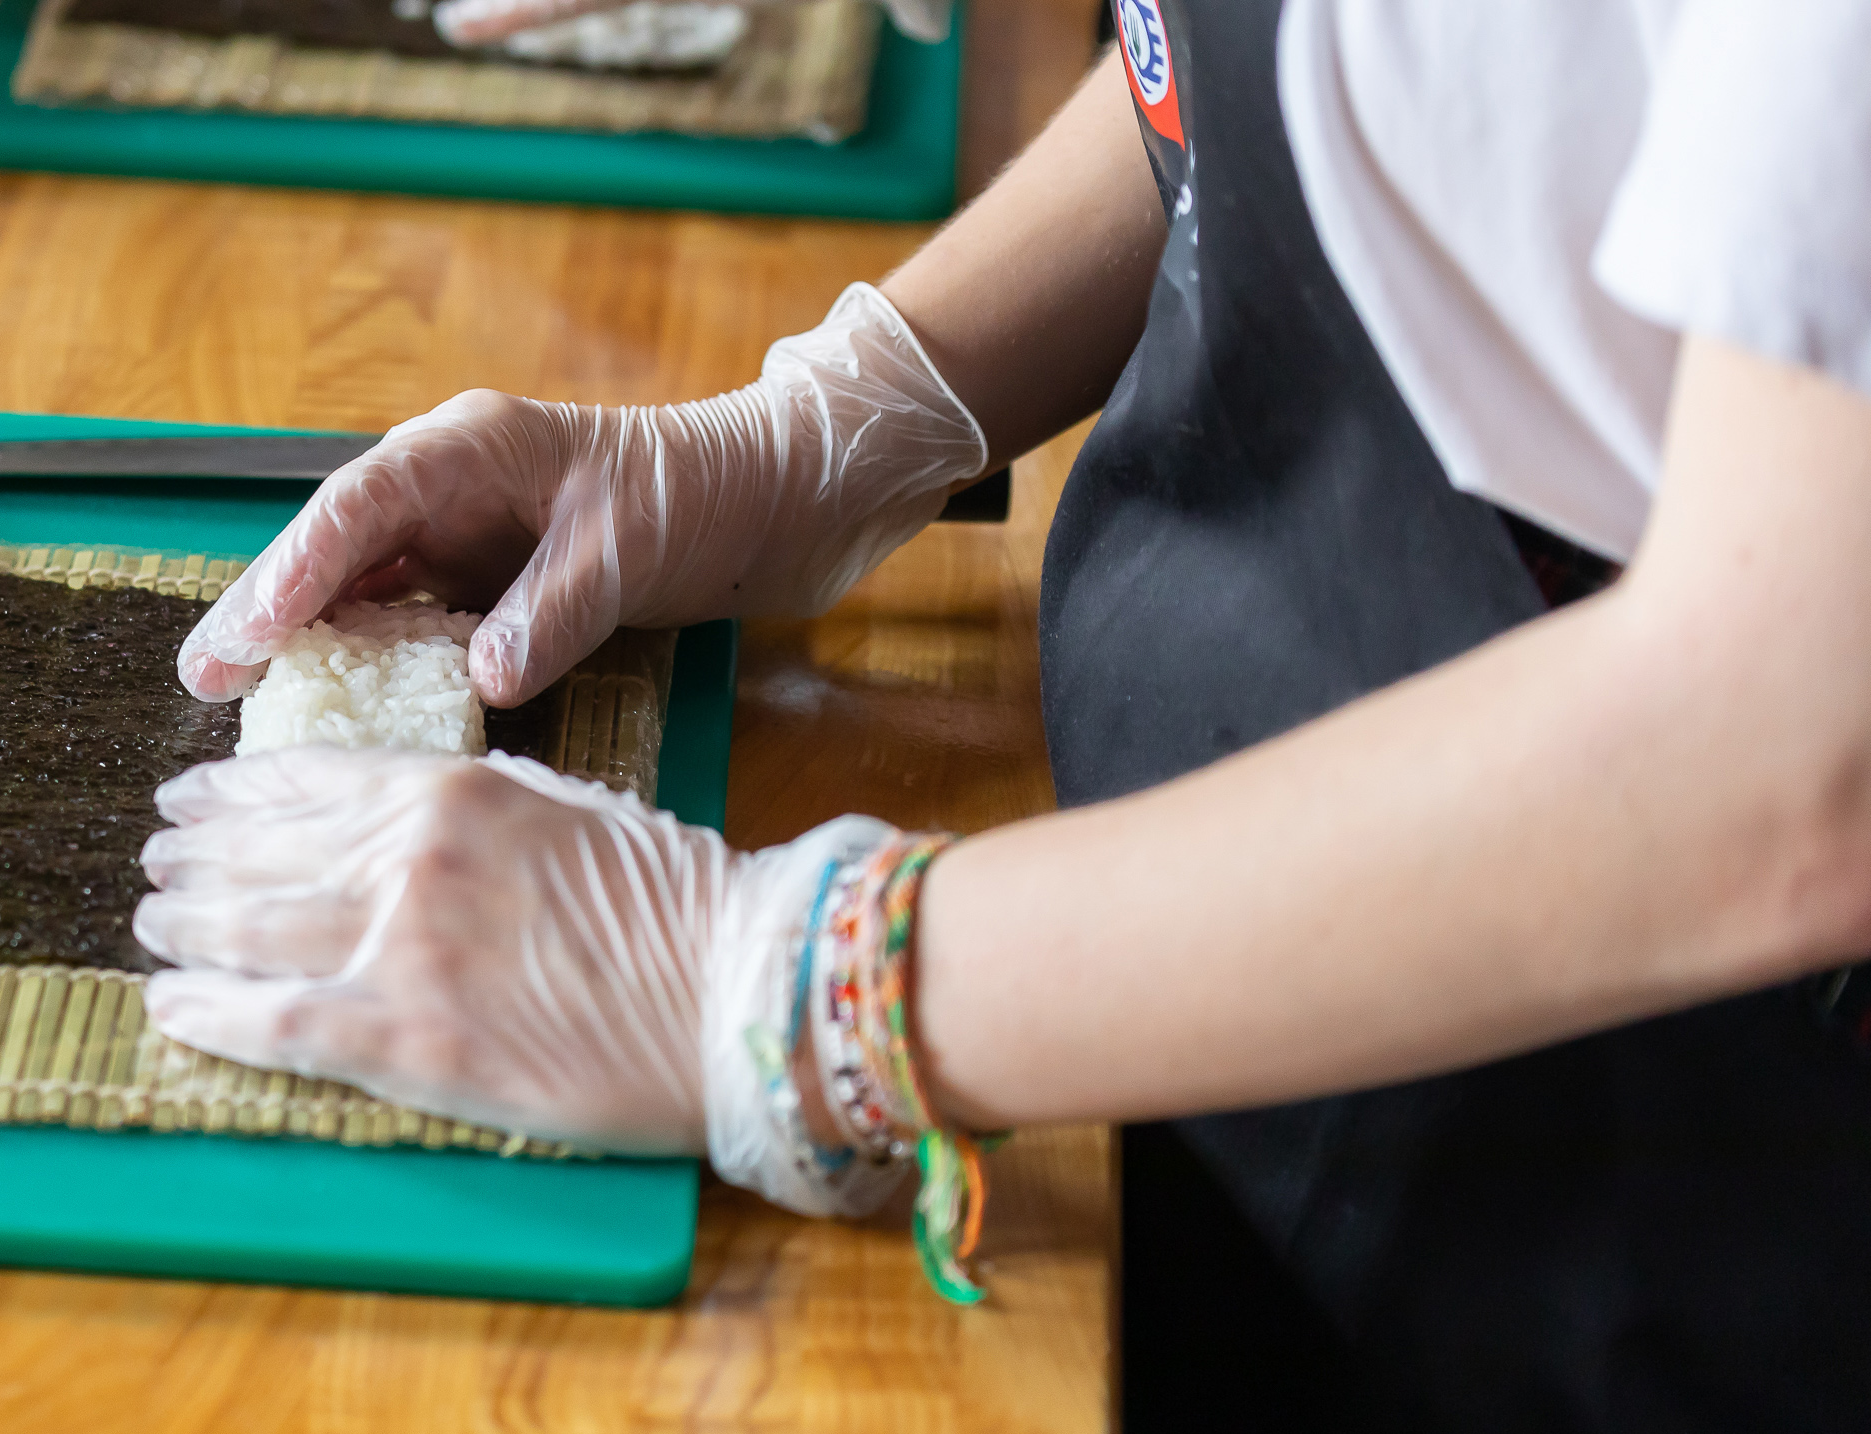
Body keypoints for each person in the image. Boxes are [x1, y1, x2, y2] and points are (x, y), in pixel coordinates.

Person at [131, 1, 1871, 1427]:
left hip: (1608, 1172)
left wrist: (793, 984)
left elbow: (1786, 756)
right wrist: (837, 418)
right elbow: (1277, 71)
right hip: (1140, 980)